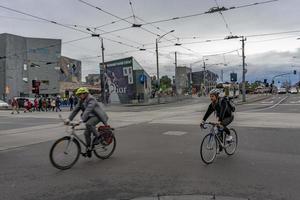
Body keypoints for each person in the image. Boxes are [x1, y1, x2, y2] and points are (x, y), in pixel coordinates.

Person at [65, 87, 109, 157]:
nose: (79, 96)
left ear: (85, 93)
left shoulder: (91, 99)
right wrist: (69, 119)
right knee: (86, 133)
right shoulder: (81, 100)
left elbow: (88, 110)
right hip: (90, 117)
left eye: (80, 94)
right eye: (78, 94)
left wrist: (81, 120)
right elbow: (75, 110)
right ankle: (88, 149)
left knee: (89, 124)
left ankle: (99, 138)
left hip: (97, 116)